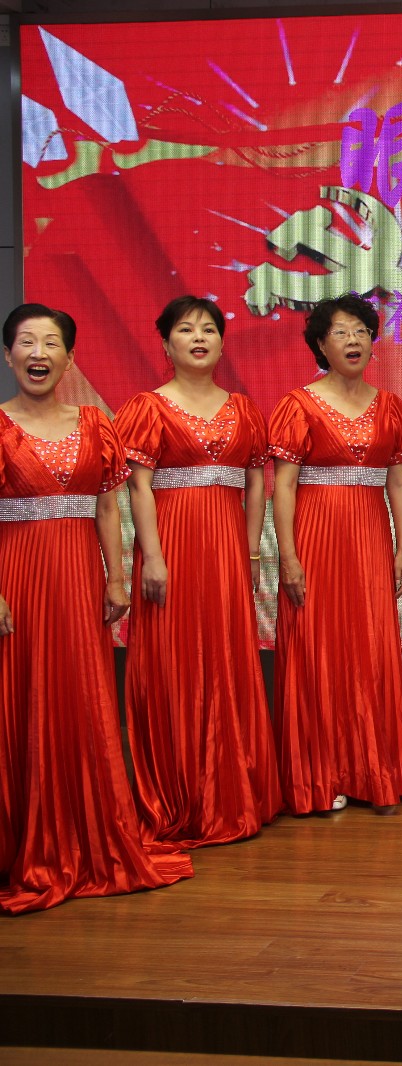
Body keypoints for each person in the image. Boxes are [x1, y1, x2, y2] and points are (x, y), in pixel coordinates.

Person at [0, 303, 193, 913]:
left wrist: (116, 579)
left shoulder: (94, 424)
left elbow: (108, 506)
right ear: (8, 355)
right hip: (17, 579)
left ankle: (89, 832)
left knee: (82, 697)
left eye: (51, 342)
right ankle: (27, 841)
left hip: (80, 577)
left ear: (69, 357)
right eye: (26, 342)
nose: (38, 352)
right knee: (22, 699)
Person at [117, 296, 281, 846]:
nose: (199, 338)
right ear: (166, 344)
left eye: (209, 329)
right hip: (171, 548)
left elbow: (256, 482)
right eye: (186, 330)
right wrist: (153, 556)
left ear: (221, 344)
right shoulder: (147, 408)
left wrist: (251, 553)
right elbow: (138, 487)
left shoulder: (244, 410)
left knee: (227, 661)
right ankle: (177, 793)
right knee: (173, 662)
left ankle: (231, 789)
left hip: (227, 550)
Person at [269, 294, 402, 815]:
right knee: (317, 646)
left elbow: (399, 482)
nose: (353, 340)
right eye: (340, 332)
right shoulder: (298, 405)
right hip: (316, 535)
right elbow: (283, 486)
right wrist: (288, 556)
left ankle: (374, 769)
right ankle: (319, 774)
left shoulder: (391, 406)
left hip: (369, 536)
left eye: (361, 330)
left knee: (369, 647)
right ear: (320, 344)